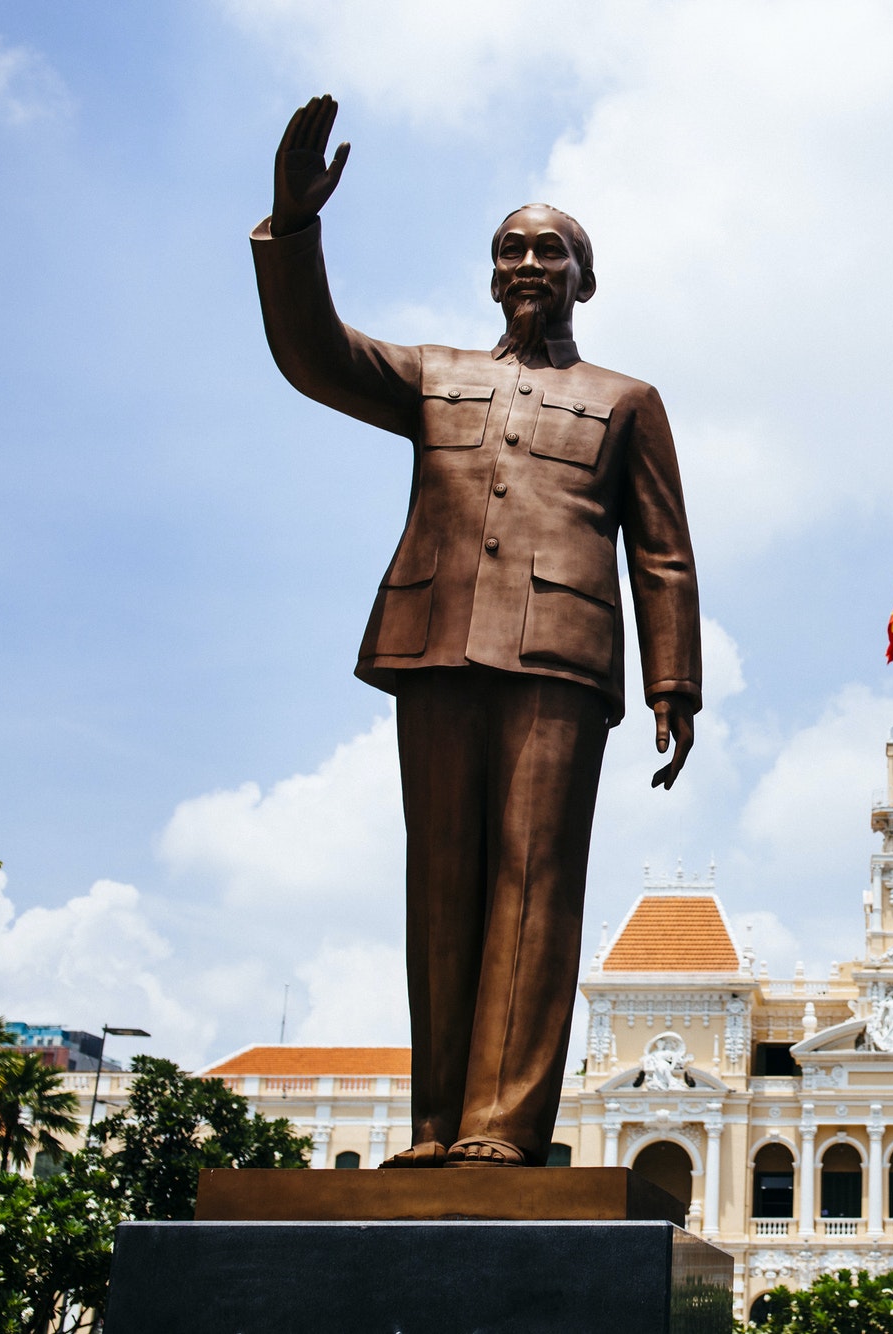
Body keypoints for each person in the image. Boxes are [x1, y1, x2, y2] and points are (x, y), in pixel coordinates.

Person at [250, 96, 701, 1168]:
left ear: (582, 277)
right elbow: (314, 355)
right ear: (491, 273)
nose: (528, 263)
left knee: (534, 876)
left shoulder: (624, 398)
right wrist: (292, 227)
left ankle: (501, 1128)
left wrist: (671, 680)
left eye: (550, 249)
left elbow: (664, 549)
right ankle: (433, 1126)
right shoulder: (431, 376)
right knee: (441, 876)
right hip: (436, 638)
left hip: (561, 653)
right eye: (511, 249)